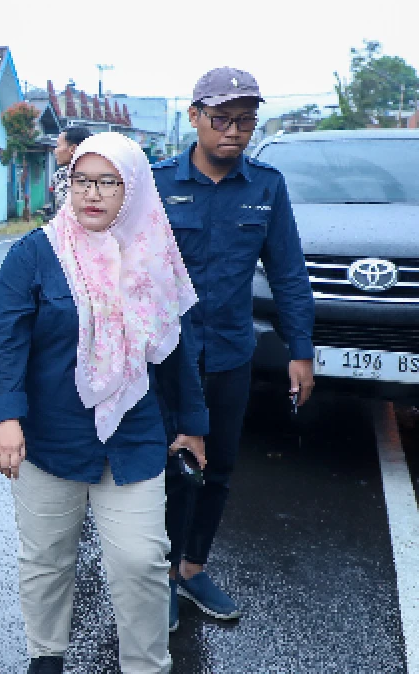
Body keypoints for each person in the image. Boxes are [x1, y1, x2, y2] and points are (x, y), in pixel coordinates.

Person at [0, 132, 208, 674]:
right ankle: (46, 657)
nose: (92, 193)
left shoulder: (153, 253)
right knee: (46, 558)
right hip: (50, 436)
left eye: (109, 182)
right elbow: (7, 341)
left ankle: (146, 666)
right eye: (81, 180)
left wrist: (192, 422)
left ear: (132, 188)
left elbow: (175, 346)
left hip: (133, 434)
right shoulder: (34, 253)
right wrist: (6, 417)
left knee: (141, 560)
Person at [153, 67, 314, 626]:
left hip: (228, 354)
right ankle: (159, 576)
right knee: (165, 466)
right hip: (165, 358)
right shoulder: (156, 183)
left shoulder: (266, 187)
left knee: (218, 467)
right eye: (221, 118)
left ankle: (193, 569)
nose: (234, 131)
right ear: (194, 116)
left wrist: (301, 351)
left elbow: (289, 272)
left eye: (246, 120)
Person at [50, 126, 93, 212]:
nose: (55, 151)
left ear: (73, 149)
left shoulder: (97, 177)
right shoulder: (59, 176)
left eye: (58, 146)